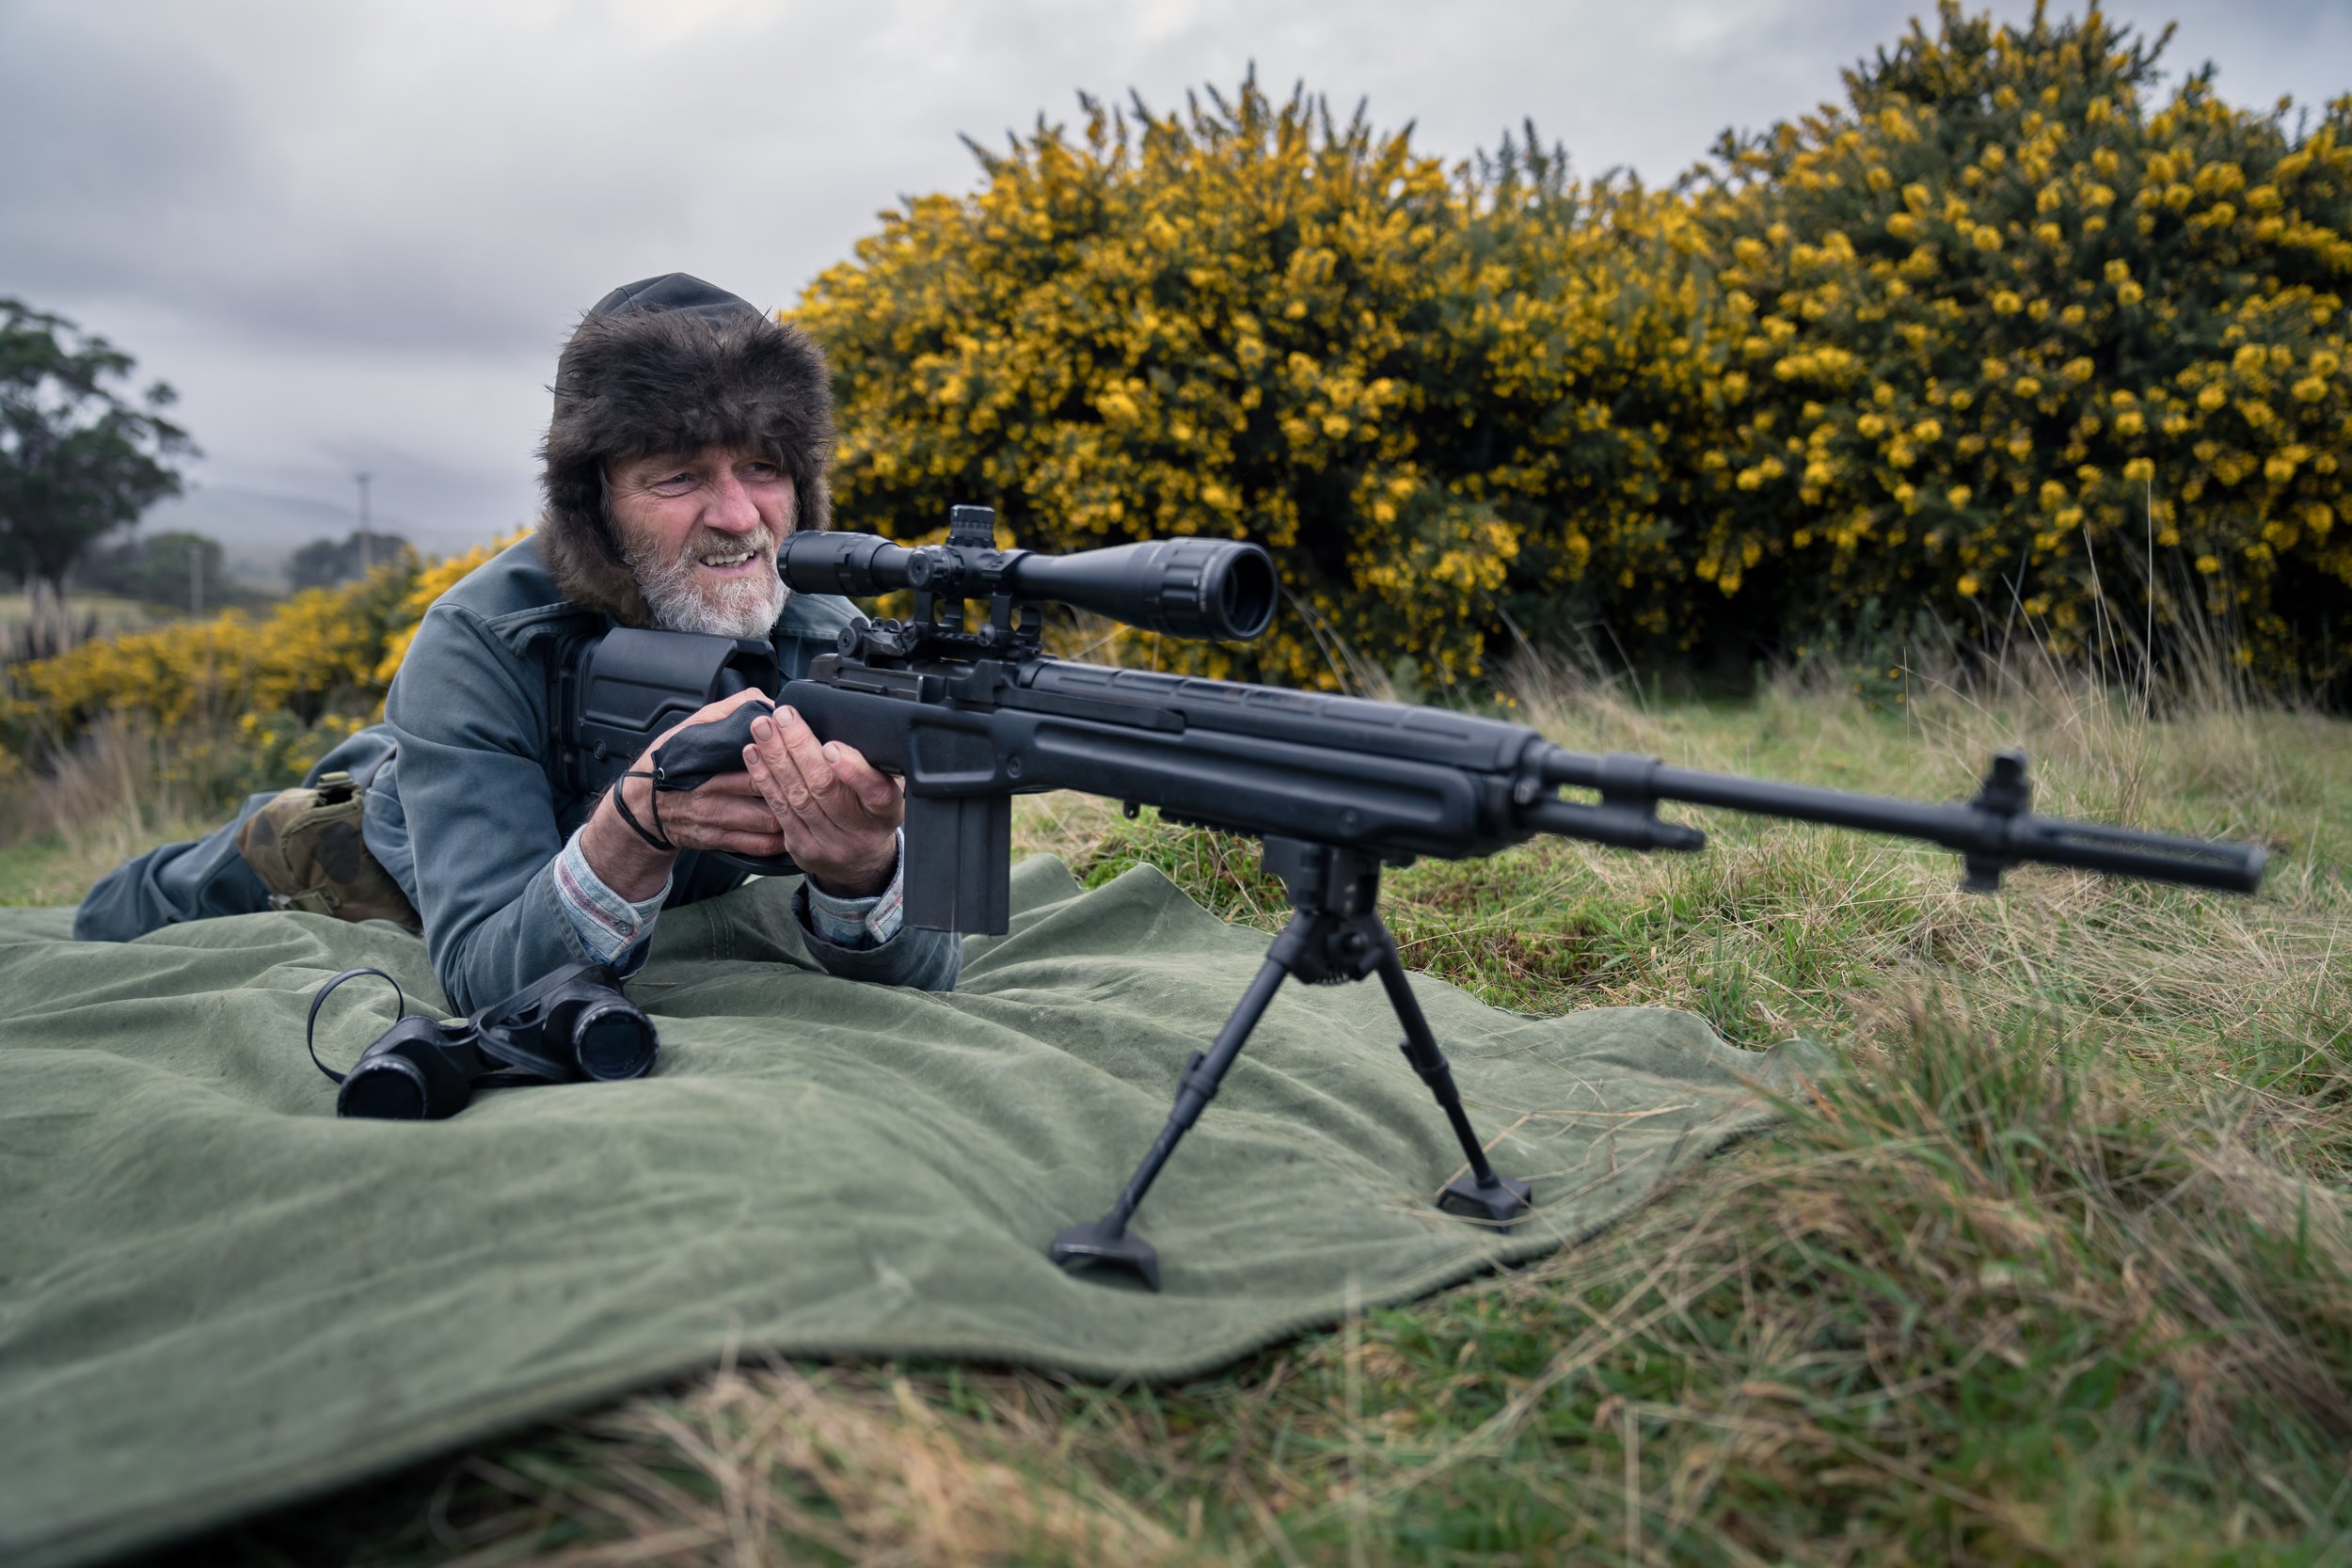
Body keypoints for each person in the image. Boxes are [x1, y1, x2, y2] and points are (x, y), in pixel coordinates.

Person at [74, 274, 961, 1010]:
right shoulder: (480, 640)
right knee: (222, 868)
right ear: (595, 500)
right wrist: (633, 826)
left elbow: (931, 969)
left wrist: (863, 876)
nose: (738, 518)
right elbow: (480, 979)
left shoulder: (830, 636)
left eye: (764, 468)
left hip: (565, 846)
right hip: (386, 850)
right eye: (680, 474)